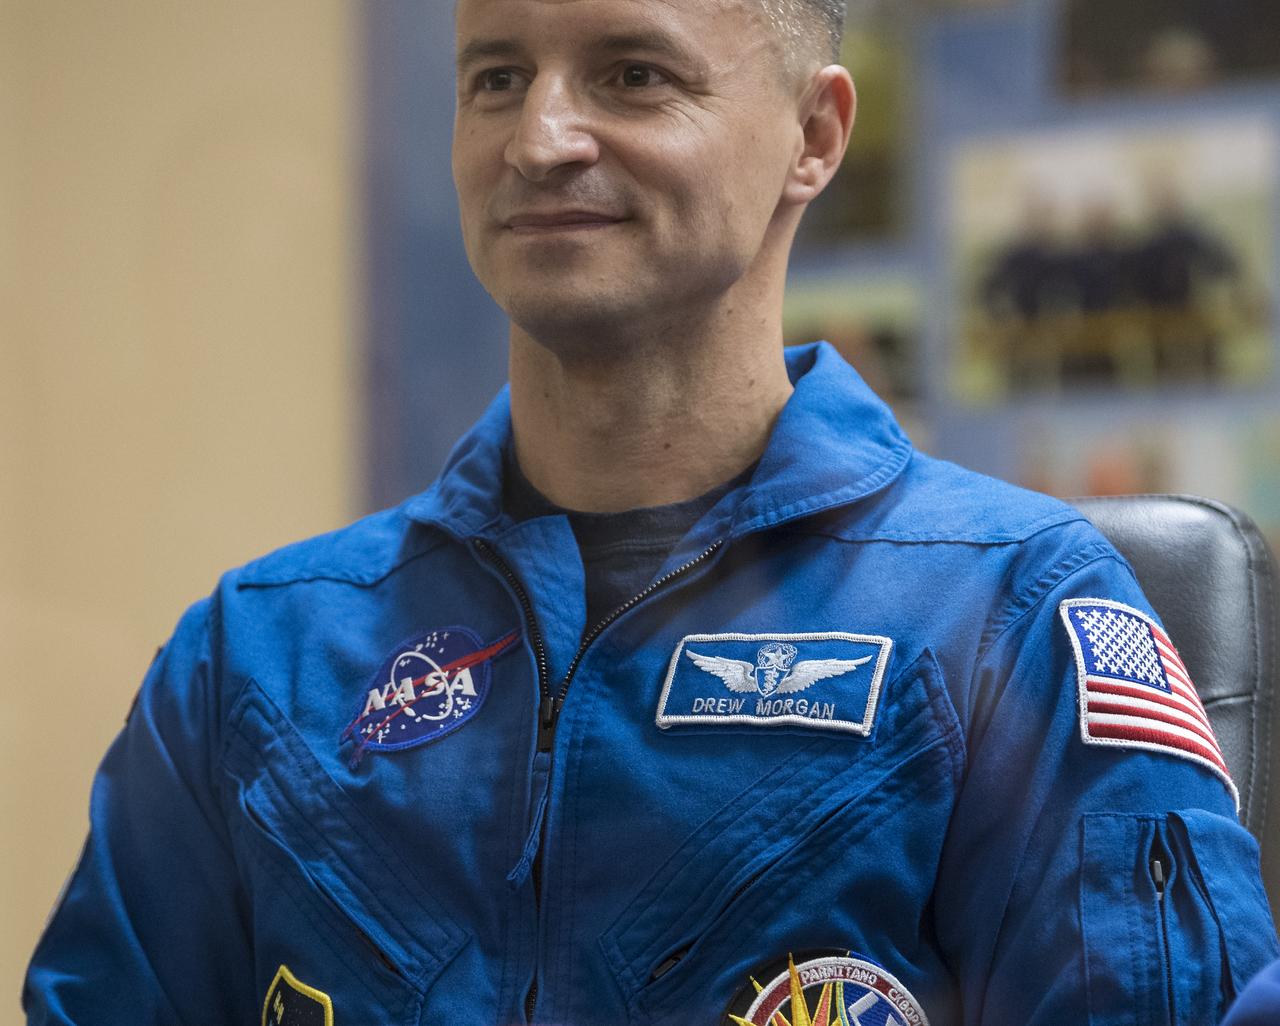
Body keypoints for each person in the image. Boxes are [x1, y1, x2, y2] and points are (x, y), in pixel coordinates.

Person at [24, 0, 1279, 1023]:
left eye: (630, 74)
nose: (539, 138)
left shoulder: (1010, 609)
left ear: (813, 134)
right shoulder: (260, 652)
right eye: (495, 78)